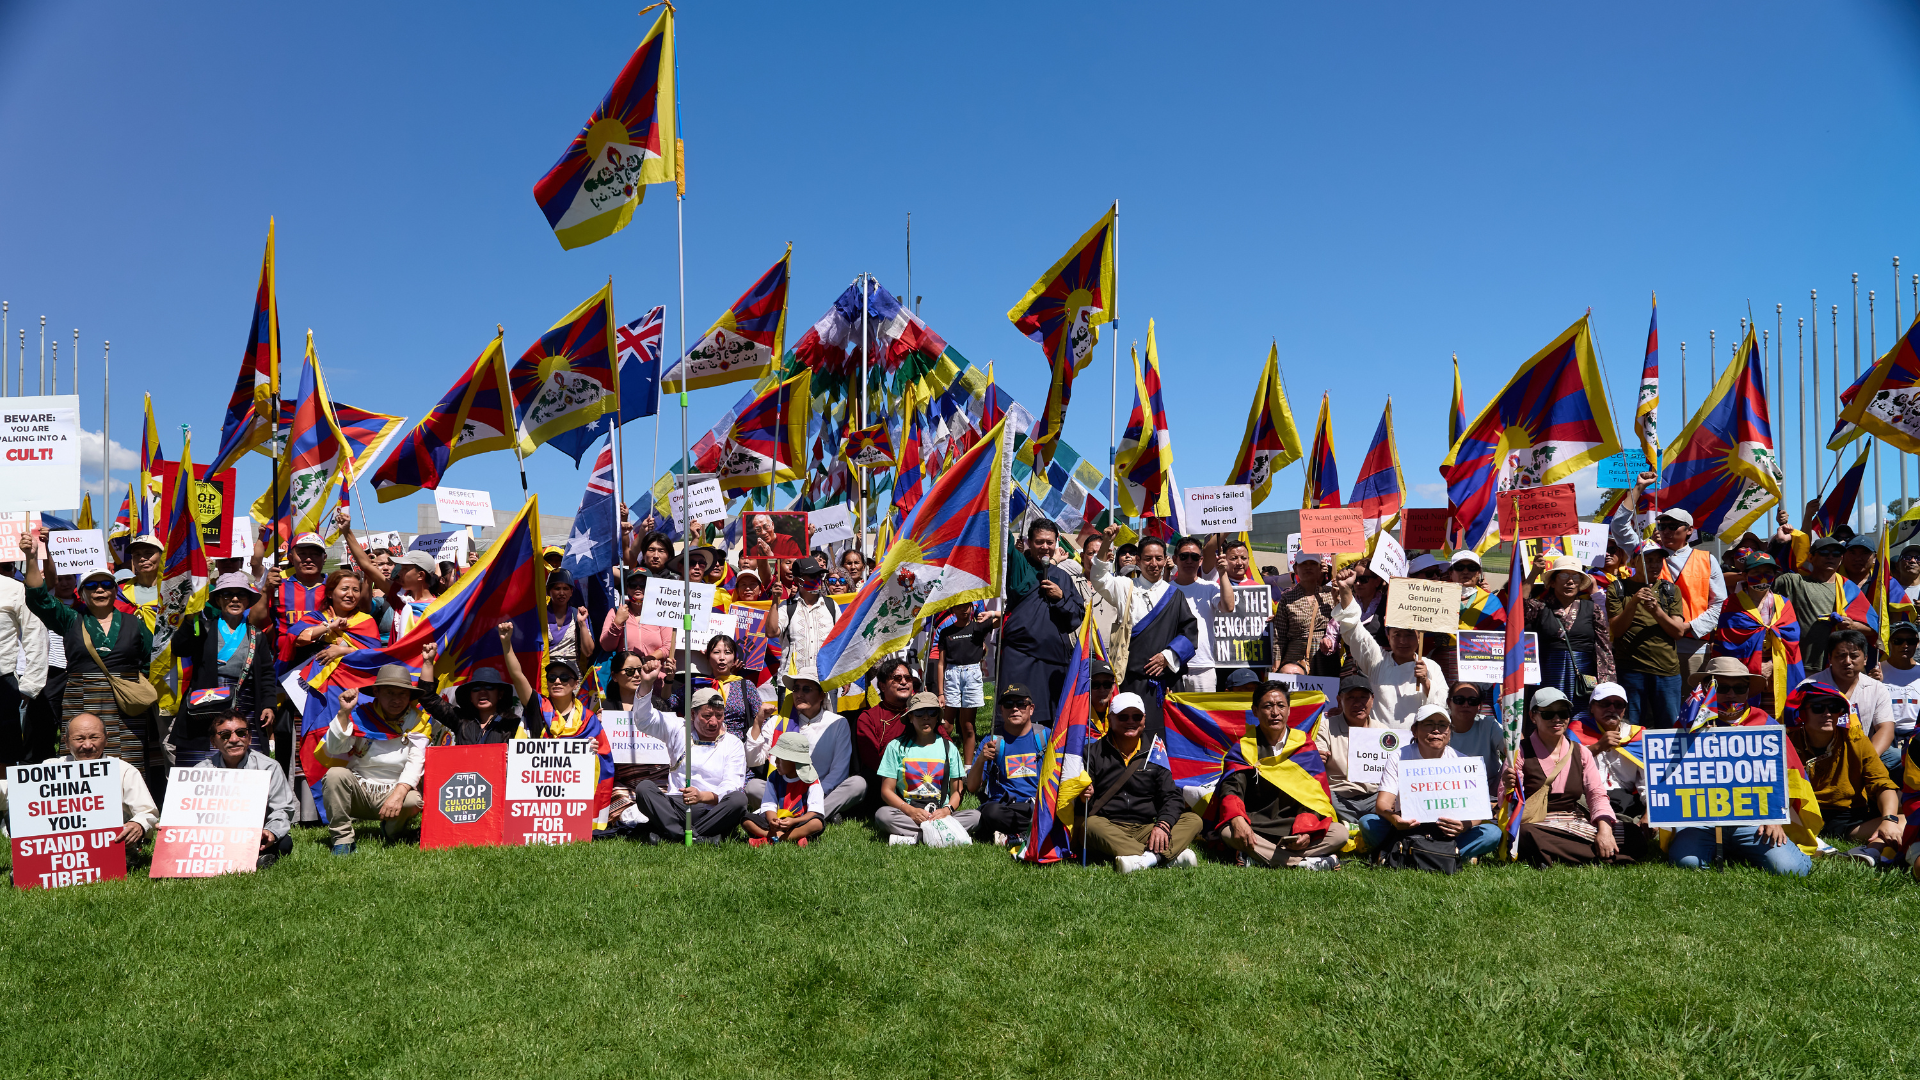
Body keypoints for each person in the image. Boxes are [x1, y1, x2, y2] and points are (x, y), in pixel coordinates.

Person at [22, 534, 154, 779]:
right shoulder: (71, 618)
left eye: (106, 584)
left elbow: (148, 662)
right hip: (80, 699)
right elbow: (38, 598)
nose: (100, 589)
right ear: (82, 593)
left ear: (116, 590)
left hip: (125, 703)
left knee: (129, 763)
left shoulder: (135, 623)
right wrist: (31, 557)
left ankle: (130, 814)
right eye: (92, 586)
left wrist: (134, 686)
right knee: (82, 761)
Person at [1055, 692, 1203, 871]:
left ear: (1144, 719)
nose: (1131, 721)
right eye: (1123, 716)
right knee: (1090, 826)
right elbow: (1083, 808)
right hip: (1108, 827)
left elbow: (1171, 797)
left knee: (1193, 819)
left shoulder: (1155, 752)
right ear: (1111, 718)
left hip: (1146, 828)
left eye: (1137, 716)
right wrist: (1083, 796)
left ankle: (1143, 859)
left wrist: (1162, 826)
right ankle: (1165, 856)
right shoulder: (1091, 752)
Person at [1213, 682, 1348, 869]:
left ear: (1289, 710)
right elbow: (1231, 791)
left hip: (1294, 825)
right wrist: (1238, 819)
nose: (1275, 712)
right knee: (1229, 832)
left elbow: (1316, 799)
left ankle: (1260, 856)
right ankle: (1303, 863)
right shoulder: (1243, 749)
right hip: (1258, 825)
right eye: (1267, 706)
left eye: (1281, 706)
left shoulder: (1303, 746)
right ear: (1255, 711)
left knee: (1340, 833)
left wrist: (1306, 830)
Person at [1612, 479, 1728, 689]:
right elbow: (1619, 526)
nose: (1666, 531)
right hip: (1649, 646)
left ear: (1689, 531)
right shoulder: (1644, 551)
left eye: (1673, 526)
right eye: (1662, 526)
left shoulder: (1707, 559)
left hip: (1692, 647)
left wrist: (1689, 627)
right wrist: (1638, 488)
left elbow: (1719, 603)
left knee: (1694, 709)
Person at [1359, 703, 1502, 864]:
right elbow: (1382, 804)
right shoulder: (1398, 757)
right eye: (1429, 724)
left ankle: (1403, 853)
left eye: (1442, 726)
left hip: (1449, 831)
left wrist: (1464, 825)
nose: (1436, 730)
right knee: (1368, 823)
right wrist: (1394, 820)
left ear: (1449, 732)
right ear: (1415, 730)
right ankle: (1452, 856)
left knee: (1491, 833)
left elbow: (1479, 812)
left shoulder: (1463, 762)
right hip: (1408, 829)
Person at [1786, 679, 1905, 863]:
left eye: (1834, 707)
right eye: (1818, 707)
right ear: (1803, 712)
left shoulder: (1857, 740)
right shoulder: (1788, 742)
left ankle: (1869, 851)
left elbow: (1882, 784)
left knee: (1906, 820)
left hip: (1852, 821)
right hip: (1804, 817)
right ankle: (1809, 839)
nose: (1827, 714)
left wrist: (1889, 819)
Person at [0, 713, 158, 849]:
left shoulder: (123, 770)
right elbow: (12, 792)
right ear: (66, 742)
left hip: (109, 847)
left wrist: (138, 825)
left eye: (94, 737)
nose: (88, 745)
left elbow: (147, 812)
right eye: (79, 739)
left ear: (106, 739)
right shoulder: (51, 768)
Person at [165, 572, 275, 768]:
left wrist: (268, 705)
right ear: (217, 600)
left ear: (248, 600)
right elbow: (180, 649)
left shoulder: (256, 635)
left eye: (240, 595)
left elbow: (266, 673)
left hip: (246, 703)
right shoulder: (204, 628)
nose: (234, 599)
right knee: (202, 766)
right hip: (206, 706)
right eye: (227, 595)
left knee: (246, 764)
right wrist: (190, 621)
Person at [319, 665, 432, 855]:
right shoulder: (361, 716)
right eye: (390, 693)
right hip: (359, 790)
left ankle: (391, 831)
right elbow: (334, 748)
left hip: (394, 791)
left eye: (402, 694)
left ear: (410, 696)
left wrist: (397, 796)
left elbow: (415, 764)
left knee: (413, 800)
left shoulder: (419, 722)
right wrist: (344, 713)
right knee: (334, 775)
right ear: (376, 692)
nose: (397, 700)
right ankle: (342, 840)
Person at [1506, 687, 1624, 867]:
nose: (1557, 719)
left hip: (1574, 822)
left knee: (1632, 834)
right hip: (1537, 824)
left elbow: (1596, 794)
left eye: (1563, 713)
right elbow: (1506, 803)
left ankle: (1551, 855)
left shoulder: (1581, 752)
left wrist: (1605, 829)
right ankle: (1600, 856)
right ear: (1532, 716)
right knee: (1525, 834)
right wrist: (1507, 786)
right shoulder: (1519, 752)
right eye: (1548, 714)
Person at [1087, 531, 1198, 713]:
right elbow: (1098, 578)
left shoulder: (1176, 595)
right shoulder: (1124, 587)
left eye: (1158, 558)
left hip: (1167, 681)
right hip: (1131, 679)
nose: (1154, 564)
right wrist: (1106, 542)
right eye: (1148, 559)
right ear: (1138, 560)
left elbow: (1190, 633)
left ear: (1165, 560)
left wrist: (1167, 657)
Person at [623, 686, 750, 844]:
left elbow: (732, 784)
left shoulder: (733, 743)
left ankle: (671, 834)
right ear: (692, 714)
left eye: (719, 716)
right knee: (644, 789)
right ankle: (699, 837)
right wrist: (647, 684)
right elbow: (645, 720)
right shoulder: (679, 728)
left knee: (739, 800)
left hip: (713, 809)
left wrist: (702, 796)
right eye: (707, 716)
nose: (714, 722)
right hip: (678, 805)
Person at [744, 666, 864, 822]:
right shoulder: (779, 722)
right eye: (796, 689)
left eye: (806, 689)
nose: (799, 695)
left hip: (822, 792)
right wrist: (758, 722)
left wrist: (813, 794)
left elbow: (838, 772)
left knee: (858, 784)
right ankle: (815, 817)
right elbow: (753, 760)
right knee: (752, 787)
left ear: (822, 694)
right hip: (785, 791)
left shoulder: (837, 723)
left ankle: (795, 816)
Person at [1331, 565, 1447, 725]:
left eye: (1409, 635)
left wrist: (1426, 683)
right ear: (1388, 636)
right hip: (1378, 744)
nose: (1403, 641)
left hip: (1416, 745)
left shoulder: (1431, 667)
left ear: (1419, 637)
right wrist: (1345, 589)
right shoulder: (1377, 660)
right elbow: (1353, 629)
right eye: (1397, 635)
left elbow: (1445, 707)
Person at [997, 520, 1084, 730]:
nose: (1045, 547)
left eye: (1049, 542)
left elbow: (1076, 617)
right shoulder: (1019, 567)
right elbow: (1003, 538)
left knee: (1053, 724)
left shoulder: (1063, 577)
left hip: (1055, 662)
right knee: (1016, 716)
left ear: (1057, 542)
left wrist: (1060, 597)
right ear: (1028, 542)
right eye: (1039, 542)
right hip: (1020, 658)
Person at [872, 692, 977, 845]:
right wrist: (910, 811)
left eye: (931, 712)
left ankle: (915, 838)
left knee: (976, 816)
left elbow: (957, 791)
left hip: (941, 814)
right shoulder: (896, 747)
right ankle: (941, 834)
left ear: (937, 717)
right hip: (908, 814)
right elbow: (886, 791)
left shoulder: (949, 748)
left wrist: (947, 810)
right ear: (910, 717)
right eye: (920, 713)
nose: (926, 717)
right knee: (883, 815)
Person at [1607, 540, 1688, 727]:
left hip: (1667, 672)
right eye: (1648, 560)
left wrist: (1657, 611)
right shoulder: (1618, 589)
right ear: (1634, 562)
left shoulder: (1670, 590)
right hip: (1631, 672)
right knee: (1632, 728)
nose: (1654, 565)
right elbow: (1617, 630)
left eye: (1658, 561)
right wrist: (1634, 603)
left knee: (1669, 728)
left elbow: (1678, 632)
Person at [202, 710, 297, 868]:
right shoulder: (200, 772)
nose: (234, 739)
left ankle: (256, 855)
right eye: (225, 735)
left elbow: (283, 809)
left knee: (284, 842)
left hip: (255, 835)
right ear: (213, 742)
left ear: (250, 737)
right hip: (213, 838)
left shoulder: (269, 767)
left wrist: (270, 832)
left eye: (241, 733)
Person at [964, 683, 1051, 846]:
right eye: (1008, 704)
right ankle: (1035, 832)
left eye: (1021, 704)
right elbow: (972, 787)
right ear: (1001, 710)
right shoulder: (992, 740)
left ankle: (1015, 835)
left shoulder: (1045, 736)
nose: (1015, 709)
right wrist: (982, 759)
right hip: (1005, 807)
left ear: (1031, 708)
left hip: (1037, 805)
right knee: (990, 813)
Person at [1772, 534, 1870, 675]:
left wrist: (1852, 625)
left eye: (1836, 554)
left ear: (1841, 559)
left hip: (1838, 668)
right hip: (1799, 665)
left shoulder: (1848, 588)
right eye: (1824, 553)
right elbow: (1762, 573)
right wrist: (1779, 542)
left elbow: (1874, 628)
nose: (1830, 557)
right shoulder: (1793, 581)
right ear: (1810, 558)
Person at [1714, 552, 1803, 707]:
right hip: (1742, 674)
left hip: (1778, 670)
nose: (1762, 578)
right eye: (1756, 573)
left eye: (1767, 573)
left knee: (1775, 716)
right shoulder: (1732, 604)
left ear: (1775, 575)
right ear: (1744, 575)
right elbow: (1728, 646)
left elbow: (1792, 644)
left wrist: (1771, 665)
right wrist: (1755, 668)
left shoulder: (1784, 604)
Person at [1526, 556, 1614, 707]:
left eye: (1575, 576)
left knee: (1580, 721)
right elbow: (1518, 606)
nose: (1570, 581)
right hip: (1548, 674)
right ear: (1552, 582)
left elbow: (1604, 649)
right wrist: (1533, 574)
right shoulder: (1540, 607)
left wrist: (1607, 686)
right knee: (1550, 716)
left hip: (1583, 678)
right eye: (1564, 575)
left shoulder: (1593, 609)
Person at [1575, 681, 1649, 860]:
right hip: (1587, 799)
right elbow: (1567, 768)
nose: (1612, 708)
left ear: (1624, 709)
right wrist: (1597, 747)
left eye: (1618, 704)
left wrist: (1649, 815)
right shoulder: (1577, 730)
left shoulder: (1638, 736)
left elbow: (1647, 782)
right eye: (1604, 703)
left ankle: (1611, 833)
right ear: (1592, 707)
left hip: (1626, 803)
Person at [1811, 629, 1897, 774]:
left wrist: (1867, 760)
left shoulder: (1877, 688)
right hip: (1822, 752)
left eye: (1854, 656)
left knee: (1896, 758)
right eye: (1841, 656)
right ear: (1830, 658)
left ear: (1865, 659)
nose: (1848, 662)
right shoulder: (1811, 687)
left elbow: (1886, 729)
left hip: (1863, 750)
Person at [1315, 674, 1389, 824]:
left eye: (1363, 697)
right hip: (1339, 797)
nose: (1358, 703)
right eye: (1350, 697)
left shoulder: (1383, 731)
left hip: (1374, 796)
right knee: (1323, 801)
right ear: (1339, 700)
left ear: (1372, 699)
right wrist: (1317, 758)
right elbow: (1315, 760)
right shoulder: (1326, 728)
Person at [0, 539, 49, 764]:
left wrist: (30, 685)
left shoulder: (13, 588)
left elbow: (35, 634)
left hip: (3, 685)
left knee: (4, 758)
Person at [1168, 535, 1236, 693]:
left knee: (1203, 717)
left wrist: (1223, 573)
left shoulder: (1210, 587)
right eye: (1184, 556)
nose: (1189, 561)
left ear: (1201, 560)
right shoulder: (1165, 589)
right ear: (1175, 559)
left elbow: (1228, 606)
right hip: (1173, 666)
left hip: (1204, 667)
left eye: (1194, 557)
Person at [934, 602, 998, 762]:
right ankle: (941, 762)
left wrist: (991, 613)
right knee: (947, 726)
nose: (964, 609)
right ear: (952, 609)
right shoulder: (945, 632)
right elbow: (941, 664)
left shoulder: (979, 627)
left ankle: (968, 768)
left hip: (972, 675)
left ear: (972, 607)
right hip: (952, 676)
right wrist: (940, 693)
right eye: (959, 606)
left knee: (968, 725)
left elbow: (1005, 617)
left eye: (967, 606)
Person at [418, 646, 519, 745]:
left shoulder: (514, 724)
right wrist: (428, 662)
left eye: (489, 687)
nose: (482, 692)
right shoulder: (461, 720)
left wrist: (512, 757)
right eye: (476, 688)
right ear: (470, 696)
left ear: (500, 694)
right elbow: (427, 698)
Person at [763, 557, 839, 688]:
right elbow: (771, 632)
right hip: (791, 683)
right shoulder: (787, 607)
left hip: (825, 681)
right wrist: (775, 601)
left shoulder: (831, 606)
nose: (816, 579)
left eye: (818, 575)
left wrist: (841, 673)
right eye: (811, 576)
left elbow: (840, 641)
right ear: (798, 580)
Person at [742, 732, 825, 847]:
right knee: (747, 820)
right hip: (777, 823)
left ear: (794, 761)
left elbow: (815, 811)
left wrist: (794, 821)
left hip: (799, 823)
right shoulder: (773, 777)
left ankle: (775, 839)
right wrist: (773, 821)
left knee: (817, 823)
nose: (775, 762)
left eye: (780, 759)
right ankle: (794, 838)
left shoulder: (812, 779)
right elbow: (769, 805)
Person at [854, 657, 923, 792]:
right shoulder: (868, 718)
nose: (904, 682)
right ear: (882, 686)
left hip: (922, 779)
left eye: (907, 678)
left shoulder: (924, 714)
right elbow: (873, 760)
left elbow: (944, 746)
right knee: (855, 783)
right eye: (897, 679)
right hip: (882, 783)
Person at [1272, 552, 1338, 677]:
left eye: (1313, 564)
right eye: (1303, 564)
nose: (1308, 567)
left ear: (1320, 568)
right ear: (1295, 568)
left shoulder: (1331, 594)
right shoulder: (1287, 598)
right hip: (1295, 659)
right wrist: (1276, 665)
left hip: (1325, 658)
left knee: (1326, 695)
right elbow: (1279, 636)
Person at [1441, 682, 1506, 790]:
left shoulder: (1488, 725)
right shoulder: (1438, 727)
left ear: (1479, 705)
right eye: (1459, 699)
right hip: (1449, 791)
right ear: (1449, 703)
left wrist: (1510, 716)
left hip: (1488, 792)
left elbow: (1517, 752)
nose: (1466, 704)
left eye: (1472, 701)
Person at [600, 571, 674, 662]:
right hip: (625, 673)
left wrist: (644, 661)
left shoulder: (661, 613)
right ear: (627, 589)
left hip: (655, 673)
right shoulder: (616, 611)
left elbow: (668, 647)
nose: (638, 587)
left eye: (643, 584)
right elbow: (607, 647)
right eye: (633, 584)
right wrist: (617, 623)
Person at [1879, 621, 1920, 774]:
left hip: (1916, 736)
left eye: (1911, 641)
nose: (1905, 645)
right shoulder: (1876, 670)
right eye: (1898, 641)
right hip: (1887, 737)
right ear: (1889, 643)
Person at [542, 569, 593, 671]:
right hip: (546, 673)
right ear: (548, 591)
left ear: (571, 592)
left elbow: (588, 652)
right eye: (557, 588)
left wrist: (582, 623)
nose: (561, 593)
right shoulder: (540, 616)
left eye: (565, 589)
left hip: (573, 675)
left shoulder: (578, 615)